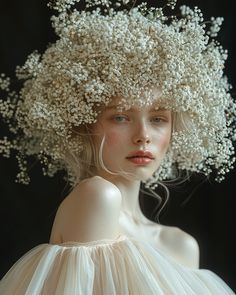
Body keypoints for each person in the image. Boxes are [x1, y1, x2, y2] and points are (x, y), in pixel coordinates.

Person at [0, 0, 235, 293]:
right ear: (86, 124)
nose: (143, 136)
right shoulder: (98, 198)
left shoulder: (183, 246)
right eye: (121, 117)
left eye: (159, 118)